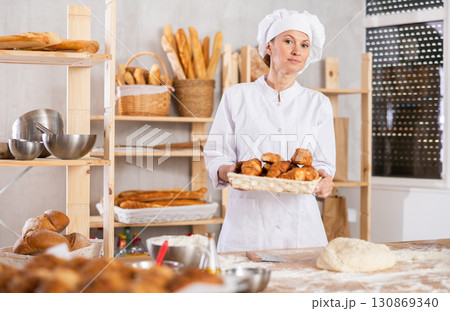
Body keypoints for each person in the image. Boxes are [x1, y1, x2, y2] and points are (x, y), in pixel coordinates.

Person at [203, 9, 335, 252]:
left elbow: (324, 163)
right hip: (247, 226)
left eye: (305, 45)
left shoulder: (318, 103)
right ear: (268, 47)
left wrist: (325, 180)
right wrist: (229, 171)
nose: (297, 50)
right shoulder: (237, 96)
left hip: (301, 229)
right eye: (288, 41)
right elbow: (216, 153)